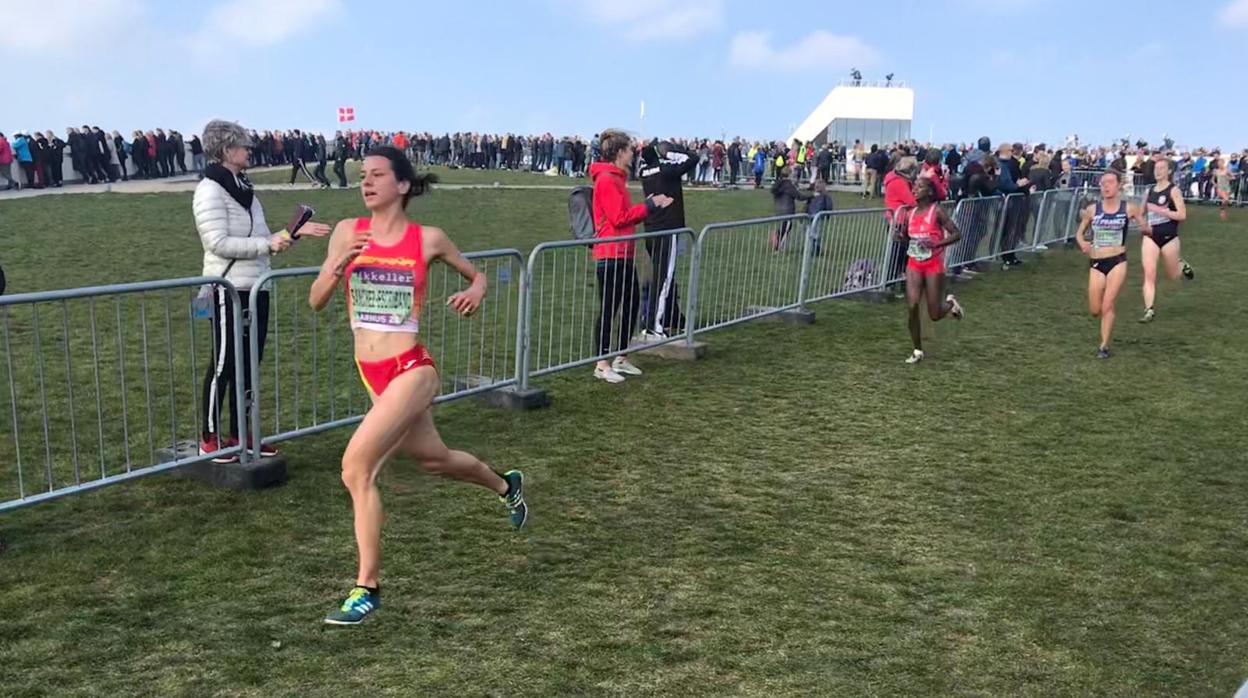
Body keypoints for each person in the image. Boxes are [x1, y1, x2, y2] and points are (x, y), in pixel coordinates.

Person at [307, 146, 528, 625]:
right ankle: (505, 485)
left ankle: (367, 587)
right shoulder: (347, 233)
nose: (366, 183)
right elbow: (317, 300)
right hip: (372, 373)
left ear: (402, 186)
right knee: (433, 458)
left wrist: (474, 290)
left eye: (378, 175)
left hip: (412, 368)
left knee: (355, 468)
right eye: (363, 176)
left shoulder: (427, 239)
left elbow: (478, 275)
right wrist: (334, 266)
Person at [193, 119, 331, 462]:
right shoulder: (210, 189)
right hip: (227, 287)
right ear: (226, 150)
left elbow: (263, 236)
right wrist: (266, 244)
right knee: (224, 364)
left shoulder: (244, 187)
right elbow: (217, 242)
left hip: (256, 286)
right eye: (243, 145)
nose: (250, 150)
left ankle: (242, 433)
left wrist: (291, 233)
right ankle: (209, 438)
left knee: (250, 363)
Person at [588, 130, 672, 383]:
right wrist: (649, 206)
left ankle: (621, 357)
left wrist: (647, 205)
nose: (633, 153)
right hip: (610, 253)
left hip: (623, 253)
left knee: (632, 304)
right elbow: (618, 218)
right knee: (610, 309)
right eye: (630, 149)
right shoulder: (606, 179)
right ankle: (601, 363)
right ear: (619, 152)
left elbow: (623, 214)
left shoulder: (618, 179)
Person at [1074, 170, 1150, 359]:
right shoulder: (1093, 209)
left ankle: (1104, 345)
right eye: (1103, 183)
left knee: (1108, 303)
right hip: (1096, 262)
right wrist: (1083, 242)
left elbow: (1145, 227)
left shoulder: (1129, 208)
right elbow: (1079, 233)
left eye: (1109, 182)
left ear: (1118, 186)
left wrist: (1145, 227)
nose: (1105, 186)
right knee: (1094, 309)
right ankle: (1102, 330)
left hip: (1117, 261)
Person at [896, 176, 964, 364]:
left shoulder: (937, 212)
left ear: (930, 192)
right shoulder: (910, 213)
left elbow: (957, 234)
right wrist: (899, 237)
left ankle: (950, 304)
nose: (915, 189)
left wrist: (937, 243)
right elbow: (906, 237)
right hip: (914, 264)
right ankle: (917, 350)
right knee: (912, 306)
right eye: (914, 186)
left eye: (920, 187)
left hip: (933, 264)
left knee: (934, 314)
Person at [639, 139, 698, 340]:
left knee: (658, 278)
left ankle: (652, 321)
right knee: (663, 279)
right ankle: (655, 326)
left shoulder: (644, 173)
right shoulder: (666, 170)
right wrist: (672, 154)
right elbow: (694, 159)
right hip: (668, 228)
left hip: (651, 228)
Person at [1139, 158, 1193, 323]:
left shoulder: (1173, 190)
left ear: (1169, 171)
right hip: (1151, 237)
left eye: (1162, 168)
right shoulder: (1148, 191)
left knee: (1173, 275)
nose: (1158, 171)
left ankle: (1181, 264)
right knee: (1149, 274)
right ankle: (1149, 309)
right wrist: (1142, 224)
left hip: (1169, 237)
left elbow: (1182, 215)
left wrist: (1162, 211)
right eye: (1156, 168)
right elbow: (1141, 213)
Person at [770, 165, 814, 251]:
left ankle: (777, 242)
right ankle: (778, 247)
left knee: (782, 228)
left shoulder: (778, 185)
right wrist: (811, 195)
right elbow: (799, 196)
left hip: (778, 209)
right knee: (786, 229)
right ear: (789, 174)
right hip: (787, 210)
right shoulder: (789, 185)